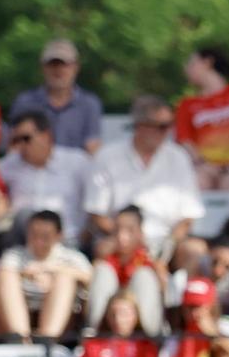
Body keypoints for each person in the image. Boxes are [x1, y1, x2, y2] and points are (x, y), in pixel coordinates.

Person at [85, 97, 204, 259]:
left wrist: (168, 245)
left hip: (167, 241)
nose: (167, 131)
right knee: (103, 249)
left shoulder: (178, 157)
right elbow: (96, 213)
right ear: (140, 126)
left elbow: (189, 216)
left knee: (195, 250)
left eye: (169, 125)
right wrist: (127, 236)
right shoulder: (107, 156)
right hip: (119, 238)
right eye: (161, 126)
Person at [0, 209, 92, 338]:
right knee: (6, 276)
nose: (38, 241)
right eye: (34, 235)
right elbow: (3, 277)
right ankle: (20, 339)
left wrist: (53, 271)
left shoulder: (73, 257)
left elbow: (91, 279)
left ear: (59, 236)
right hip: (22, 312)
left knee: (64, 279)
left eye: (45, 237)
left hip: (64, 322)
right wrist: (25, 275)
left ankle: (47, 340)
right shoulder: (14, 256)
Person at [0, 110, 92, 240]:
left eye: (26, 138)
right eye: (16, 140)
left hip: (67, 241)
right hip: (23, 243)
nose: (20, 146)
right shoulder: (8, 164)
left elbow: (94, 203)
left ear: (46, 136)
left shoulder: (77, 162)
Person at [175, 48, 229, 193]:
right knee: (196, 182)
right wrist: (204, 163)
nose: (185, 69)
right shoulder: (187, 105)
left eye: (191, 63)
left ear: (207, 62)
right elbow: (184, 140)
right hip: (204, 166)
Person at [6, 39, 104, 155]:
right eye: (52, 64)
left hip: (76, 170)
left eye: (64, 64)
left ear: (76, 67)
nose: (58, 70)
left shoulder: (90, 104)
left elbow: (93, 145)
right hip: (33, 169)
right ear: (42, 67)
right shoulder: (24, 102)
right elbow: (14, 145)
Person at [87, 206, 167, 334]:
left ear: (140, 232)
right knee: (102, 271)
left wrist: (159, 272)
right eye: (117, 229)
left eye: (130, 230)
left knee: (144, 275)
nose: (122, 236)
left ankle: (147, 339)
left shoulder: (150, 260)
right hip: (109, 326)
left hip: (139, 330)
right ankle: (95, 336)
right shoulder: (106, 260)